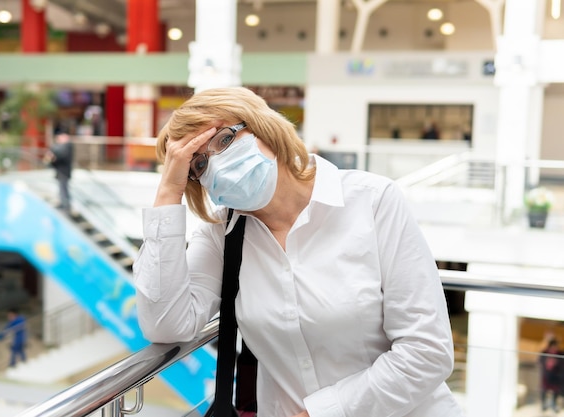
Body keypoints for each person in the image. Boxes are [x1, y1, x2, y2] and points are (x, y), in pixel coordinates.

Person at [133, 87, 463, 417]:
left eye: (223, 140)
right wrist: (169, 190)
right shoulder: (223, 234)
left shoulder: (372, 201)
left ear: (262, 128)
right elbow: (165, 324)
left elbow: (427, 350)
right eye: (199, 164)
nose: (216, 164)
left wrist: (326, 411)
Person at [44, 127, 74, 213]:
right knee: (62, 189)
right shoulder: (61, 147)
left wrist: (53, 156)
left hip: (64, 172)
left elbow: (60, 156)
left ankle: (66, 205)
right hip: (60, 172)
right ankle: (63, 203)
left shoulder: (67, 146)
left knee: (64, 189)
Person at [539, 337, 563, 412]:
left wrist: (556, 362)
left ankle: (554, 404)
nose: (554, 348)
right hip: (546, 375)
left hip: (557, 375)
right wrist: (547, 362)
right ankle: (544, 404)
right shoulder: (544, 352)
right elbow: (540, 361)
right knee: (544, 389)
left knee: (556, 390)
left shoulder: (560, 353)